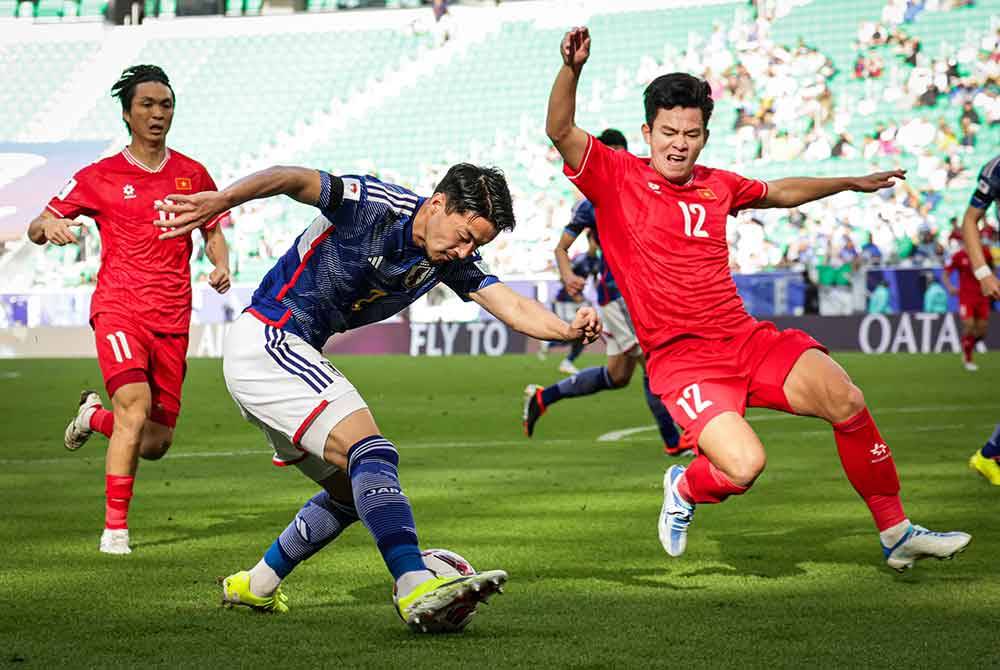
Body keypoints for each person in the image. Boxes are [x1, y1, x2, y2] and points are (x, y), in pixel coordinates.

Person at [545, 26, 970, 572]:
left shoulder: (717, 184)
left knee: (846, 399)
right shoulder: (614, 175)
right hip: (682, 358)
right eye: (669, 131)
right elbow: (560, 128)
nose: (680, 143)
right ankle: (684, 485)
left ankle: (896, 532)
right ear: (647, 132)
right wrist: (573, 69)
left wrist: (848, 183)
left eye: (692, 133)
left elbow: (778, 191)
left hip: (745, 339)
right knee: (744, 467)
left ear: (704, 134)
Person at [154, 163, 600, 629]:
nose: (466, 251)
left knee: (350, 494)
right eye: (465, 236)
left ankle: (256, 585)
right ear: (438, 204)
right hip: (270, 338)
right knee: (372, 452)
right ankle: (413, 584)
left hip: (279, 356)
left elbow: (509, 304)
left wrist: (566, 328)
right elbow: (292, 178)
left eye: (477, 245)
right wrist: (222, 200)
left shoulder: (447, 257)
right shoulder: (372, 203)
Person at [26, 65, 231, 555]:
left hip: (173, 317)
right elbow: (40, 221)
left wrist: (220, 265)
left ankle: (92, 417)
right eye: (147, 105)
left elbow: (214, 232)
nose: (158, 113)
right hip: (119, 309)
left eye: (166, 105)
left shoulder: (193, 172)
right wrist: (48, 229)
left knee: (155, 441)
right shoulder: (99, 176)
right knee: (135, 406)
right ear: (126, 113)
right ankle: (115, 530)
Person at [524, 128, 684, 456]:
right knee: (653, 361)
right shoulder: (592, 203)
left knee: (618, 375)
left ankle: (544, 397)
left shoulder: (644, 190)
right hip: (618, 295)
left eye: (618, 155)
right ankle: (674, 441)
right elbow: (562, 248)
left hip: (643, 292)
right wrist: (568, 274)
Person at [954, 153, 1000, 372]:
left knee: (980, 328)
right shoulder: (995, 170)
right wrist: (983, 273)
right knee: (972, 326)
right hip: (969, 292)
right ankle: (967, 356)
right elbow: (970, 219)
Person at [537, 241, 600, 374]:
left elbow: (594, 281)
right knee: (573, 333)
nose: (598, 243)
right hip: (565, 300)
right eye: (595, 240)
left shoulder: (596, 261)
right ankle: (551, 346)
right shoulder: (580, 259)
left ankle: (566, 360)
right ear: (589, 241)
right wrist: (572, 292)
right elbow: (562, 277)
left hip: (579, 301)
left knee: (582, 334)